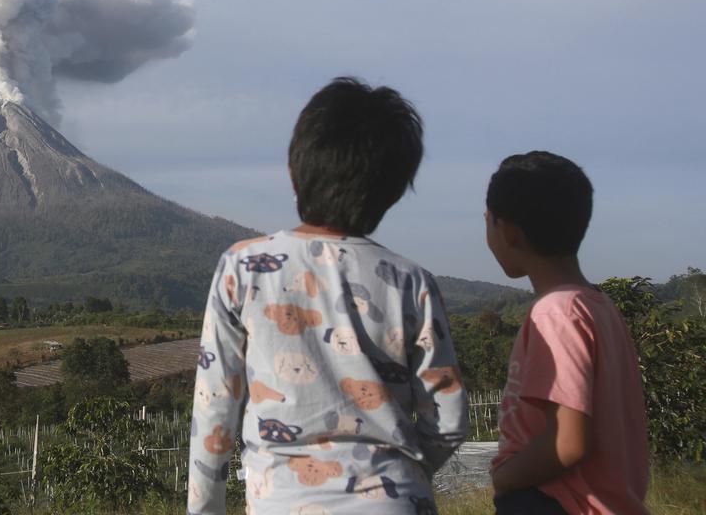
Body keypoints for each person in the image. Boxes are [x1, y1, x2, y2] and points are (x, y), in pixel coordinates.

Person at [188, 77, 469, 515]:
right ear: (394, 190)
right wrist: (399, 476)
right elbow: (448, 419)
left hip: (283, 501)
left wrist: (204, 509)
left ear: (293, 170)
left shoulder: (243, 268)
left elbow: (214, 409)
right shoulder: (413, 282)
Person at [485, 152, 649, 514]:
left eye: (488, 221)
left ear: (510, 231)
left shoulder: (555, 312)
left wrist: (503, 478)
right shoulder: (597, 307)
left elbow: (569, 441)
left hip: (558, 503)